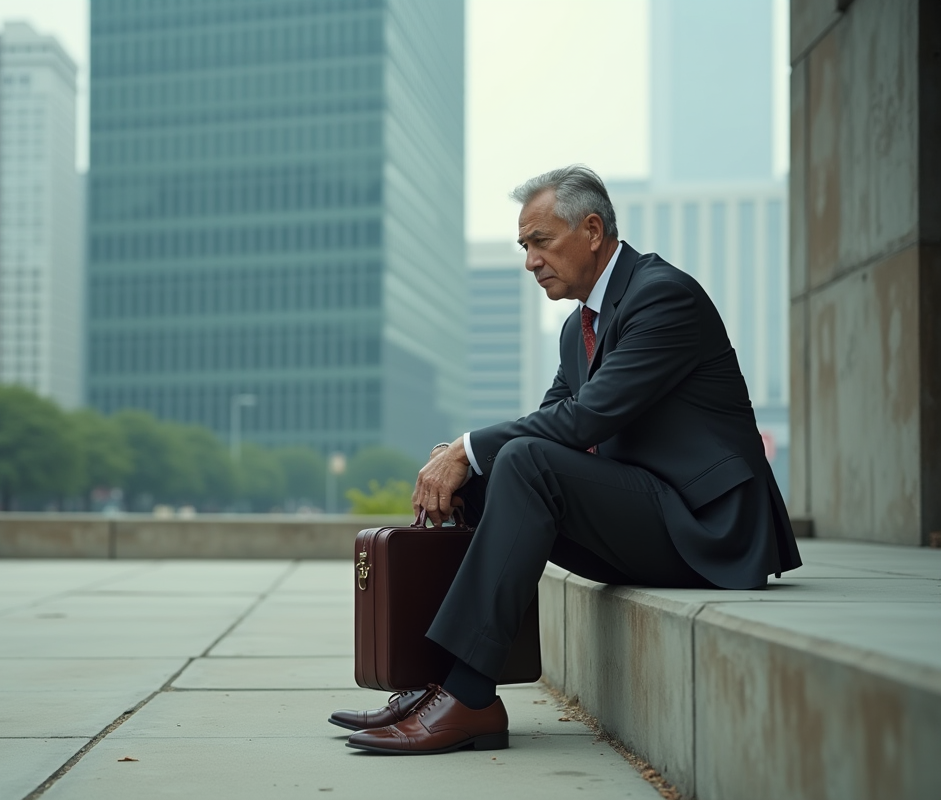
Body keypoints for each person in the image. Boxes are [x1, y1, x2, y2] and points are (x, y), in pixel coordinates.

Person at [332, 165, 802, 755]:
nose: (530, 260)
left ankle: (469, 697)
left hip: (708, 528)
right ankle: (439, 682)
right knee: (487, 475)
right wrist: (465, 461)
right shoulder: (576, 327)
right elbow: (554, 421)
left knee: (515, 460)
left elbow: (585, 421)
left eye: (540, 242)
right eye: (524, 246)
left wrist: (465, 446)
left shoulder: (663, 297)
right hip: (646, 513)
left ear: (593, 230)